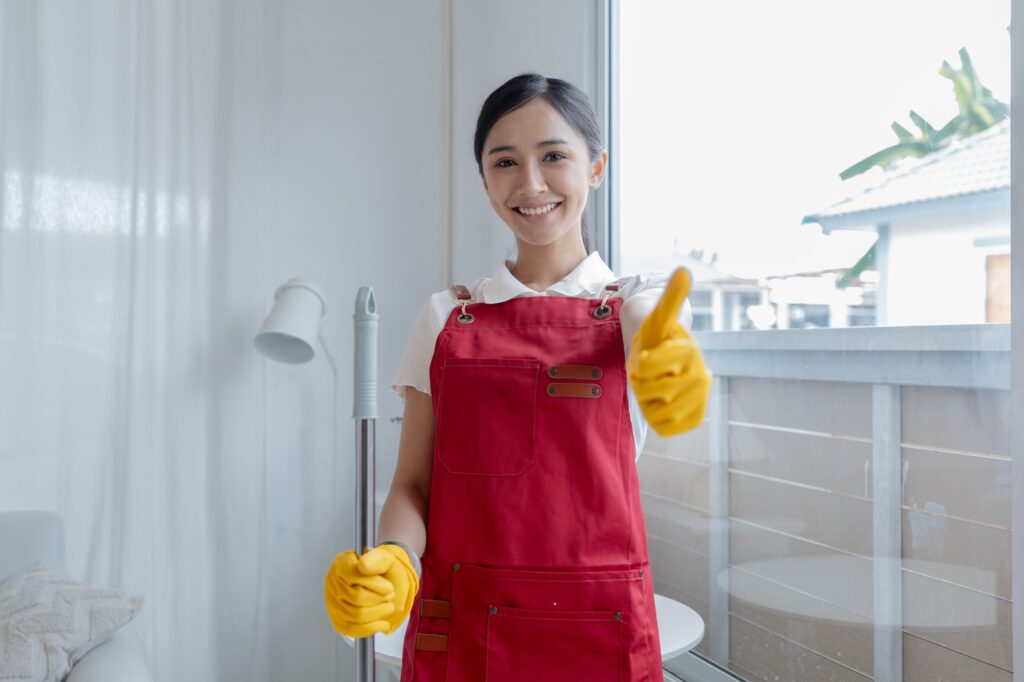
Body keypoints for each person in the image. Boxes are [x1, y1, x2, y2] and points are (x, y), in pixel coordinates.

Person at [324, 72, 711, 681]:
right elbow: (412, 485)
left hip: (597, 633)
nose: (530, 184)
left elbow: (647, 325)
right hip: (464, 629)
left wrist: (659, 348)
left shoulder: (641, 301)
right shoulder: (445, 314)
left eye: (554, 155)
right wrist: (396, 558)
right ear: (484, 182)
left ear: (597, 167)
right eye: (504, 162)